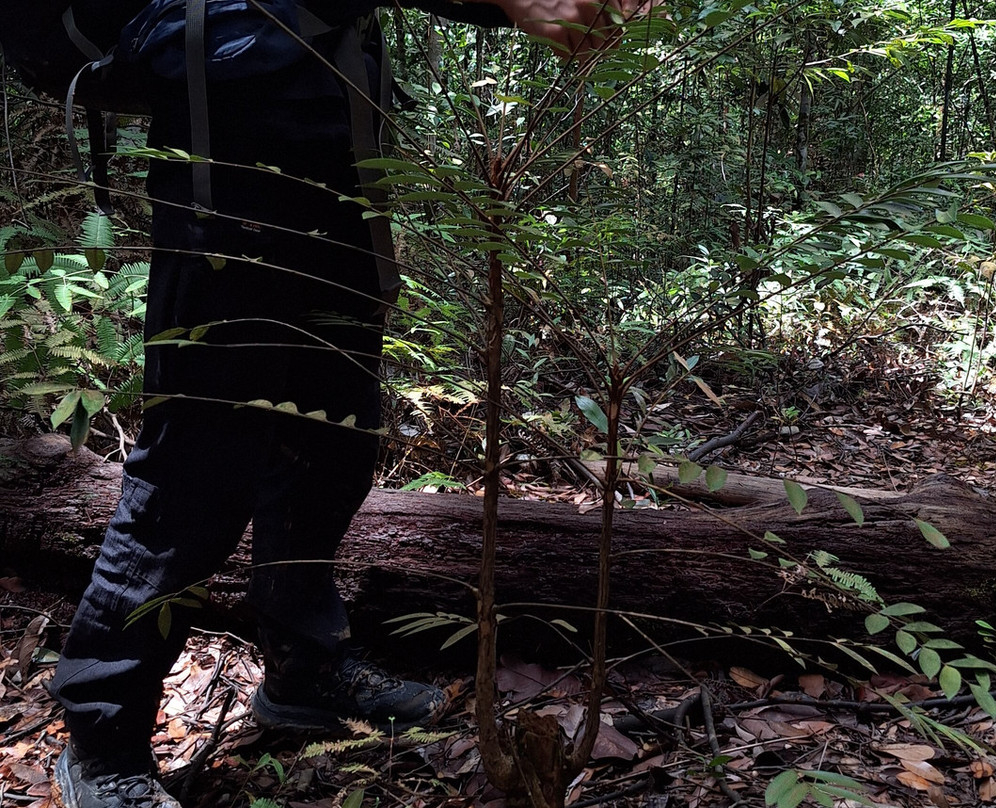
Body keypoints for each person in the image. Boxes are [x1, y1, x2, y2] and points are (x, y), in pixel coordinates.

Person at [46, 0, 629, 806]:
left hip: (339, 155)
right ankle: (102, 742)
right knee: (197, 469)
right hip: (226, 156)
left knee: (335, 443)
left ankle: (304, 669)